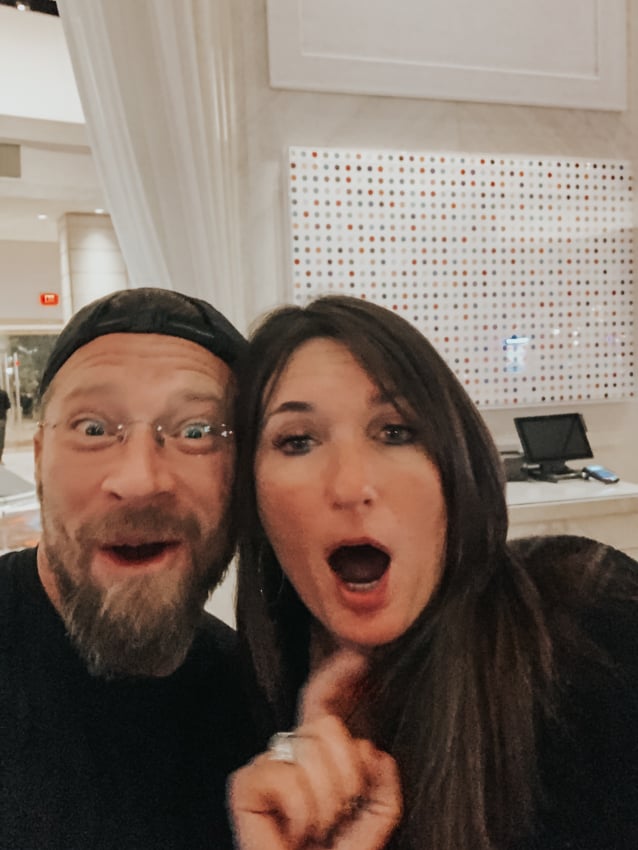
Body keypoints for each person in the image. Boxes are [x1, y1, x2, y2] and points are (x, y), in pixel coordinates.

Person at [228, 294, 638, 849]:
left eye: (396, 432)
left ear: (456, 464)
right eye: (297, 441)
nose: (351, 486)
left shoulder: (590, 624)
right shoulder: (237, 724)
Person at [0, 287, 259, 850]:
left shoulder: (263, 713)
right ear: (40, 459)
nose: (140, 481)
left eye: (197, 431)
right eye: (93, 429)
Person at [0, 384, 11, 462]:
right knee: (1, 439)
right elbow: (8, 406)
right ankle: (0, 458)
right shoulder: (3, 393)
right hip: (2, 419)